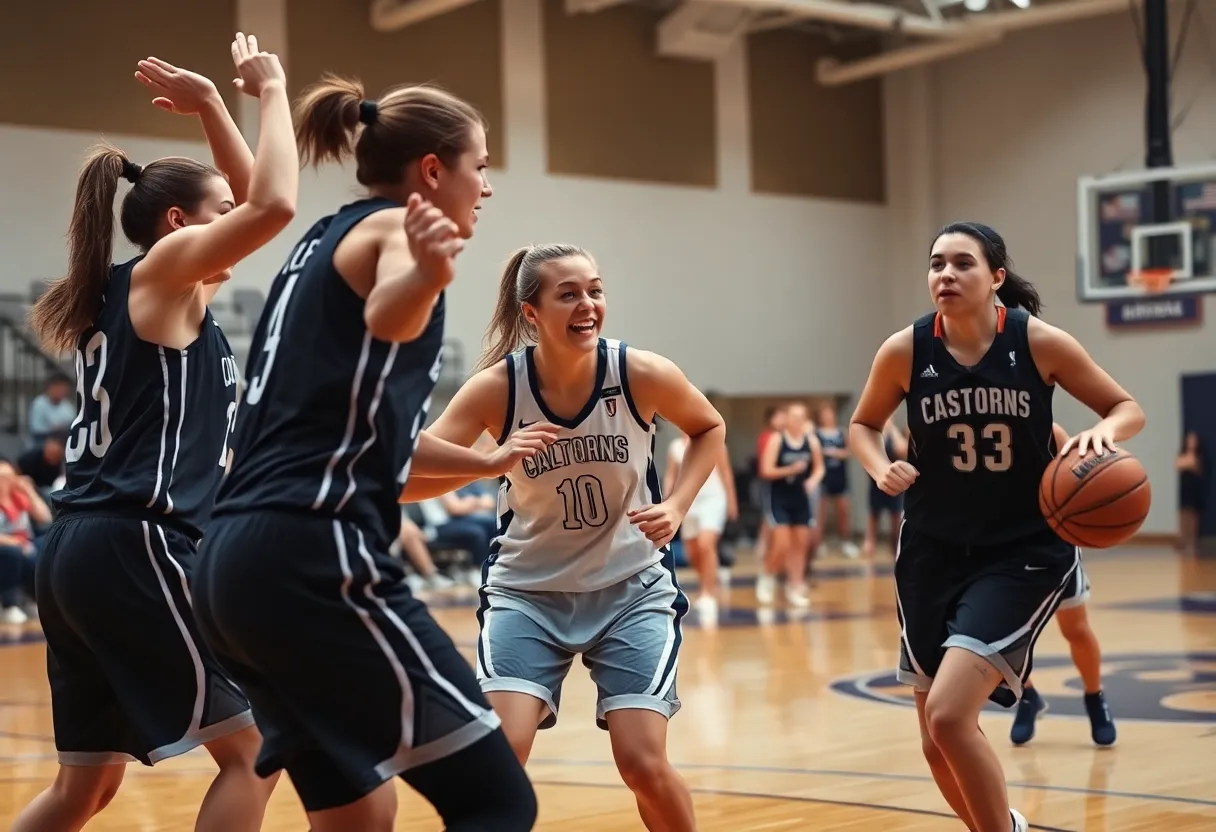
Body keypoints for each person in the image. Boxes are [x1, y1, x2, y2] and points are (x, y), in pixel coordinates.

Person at [191, 74, 542, 832]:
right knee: (497, 799)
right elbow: (389, 315)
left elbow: (367, 443)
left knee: (355, 813)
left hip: (230, 567)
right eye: (481, 165)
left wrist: (486, 463)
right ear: (432, 171)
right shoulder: (394, 236)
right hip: (311, 557)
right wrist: (427, 274)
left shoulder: (321, 241)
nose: (487, 186)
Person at [13, 35, 297, 832]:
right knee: (258, 747)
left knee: (84, 790)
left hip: (79, 549)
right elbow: (273, 205)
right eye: (217, 215)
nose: (233, 224)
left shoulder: (141, 290)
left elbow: (254, 203)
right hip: (136, 543)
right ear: (177, 224)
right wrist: (268, 92)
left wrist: (212, 106)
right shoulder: (166, 276)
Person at [400, 243, 725, 832]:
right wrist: (489, 462)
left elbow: (709, 427)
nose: (588, 304)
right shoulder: (498, 389)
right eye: (568, 294)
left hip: (631, 591)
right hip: (527, 593)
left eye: (595, 290)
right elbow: (402, 478)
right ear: (531, 312)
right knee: (504, 755)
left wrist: (677, 505)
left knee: (642, 762)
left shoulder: (638, 372)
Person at [848, 221, 1145, 832]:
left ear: (996, 278)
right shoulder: (904, 349)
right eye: (936, 264)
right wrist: (880, 467)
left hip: (1022, 552)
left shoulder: (1038, 342)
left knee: (952, 716)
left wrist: (1102, 434)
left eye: (962, 264)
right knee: (936, 739)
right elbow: (862, 426)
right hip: (931, 549)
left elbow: (1126, 407)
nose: (946, 275)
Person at [1009, 422, 1116, 747]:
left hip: (1054, 542)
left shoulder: (1049, 431)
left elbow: (1076, 480)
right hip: (1000, 545)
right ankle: (1027, 697)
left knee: (1076, 630)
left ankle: (1095, 698)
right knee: (995, 638)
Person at [665, 423, 738, 619]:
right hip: (688, 503)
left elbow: (725, 473)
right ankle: (709, 577)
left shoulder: (715, 444)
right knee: (693, 551)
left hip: (714, 499)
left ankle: (708, 593)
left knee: (706, 544)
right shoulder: (675, 447)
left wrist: (732, 501)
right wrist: (667, 500)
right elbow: (671, 476)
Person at [755, 401, 824, 608]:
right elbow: (766, 470)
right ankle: (767, 577)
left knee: (801, 545)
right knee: (782, 544)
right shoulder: (777, 439)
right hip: (779, 499)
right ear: (787, 419)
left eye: (801, 417)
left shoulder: (811, 441)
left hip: (800, 499)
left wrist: (813, 480)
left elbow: (819, 468)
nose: (797, 421)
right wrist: (790, 470)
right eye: (793, 416)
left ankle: (795, 585)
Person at [815, 403, 859, 558]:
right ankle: (818, 544)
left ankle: (846, 542)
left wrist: (835, 452)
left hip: (840, 478)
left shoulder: (841, 432)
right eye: (824, 414)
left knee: (844, 512)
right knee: (821, 514)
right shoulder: (816, 434)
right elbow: (814, 454)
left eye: (830, 413)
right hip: (823, 479)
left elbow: (849, 452)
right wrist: (823, 452)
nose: (827, 417)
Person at [1177, 430, 1205, 555]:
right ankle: (1183, 541)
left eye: (1193, 440)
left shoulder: (1200, 456)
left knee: (1193, 517)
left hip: (1195, 489)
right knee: (1183, 515)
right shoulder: (1182, 453)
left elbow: (1194, 465)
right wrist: (1187, 462)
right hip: (1185, 488)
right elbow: (1179, 464)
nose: (1191, 442)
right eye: (1189, 440)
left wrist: (1188, 462)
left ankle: (1192, 543)